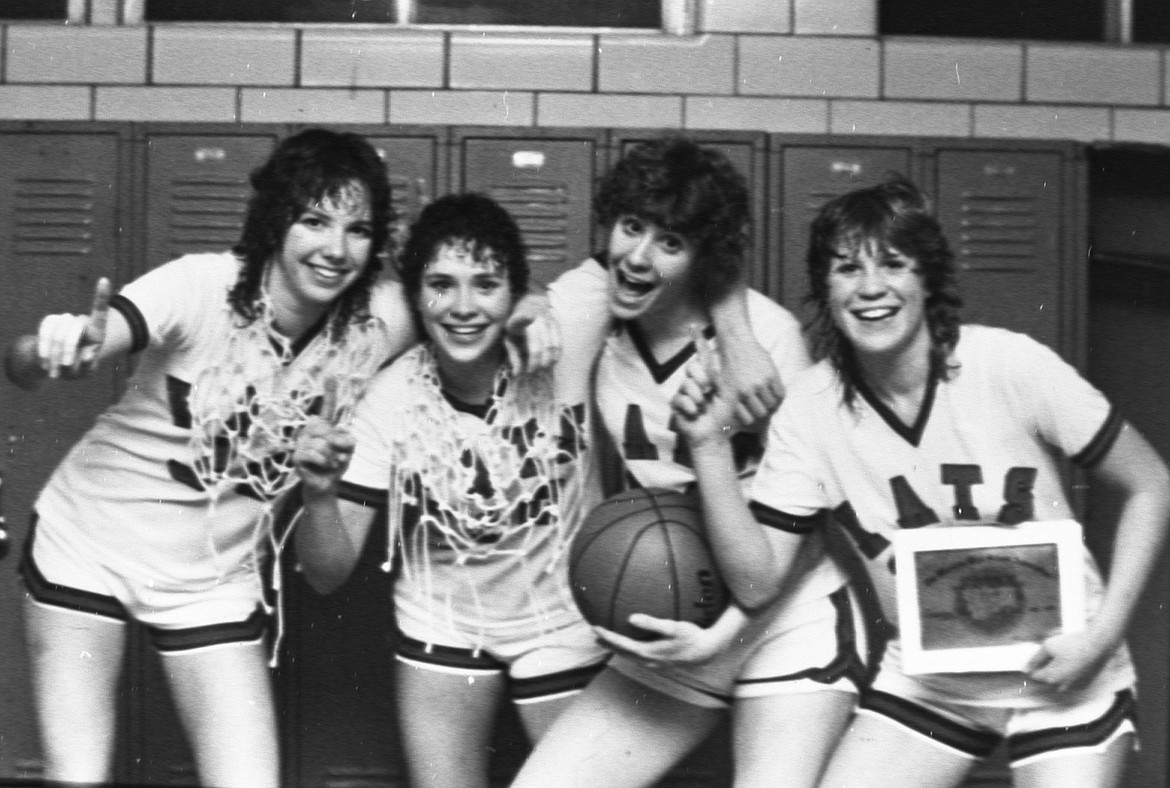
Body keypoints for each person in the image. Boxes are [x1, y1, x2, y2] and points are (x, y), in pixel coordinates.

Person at [4, 129, 557, 788]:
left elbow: (462, 304)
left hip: (209, 580)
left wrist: (533, 303)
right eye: (314, 221)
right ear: (276, 222)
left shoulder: (376, 322)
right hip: (87, 544)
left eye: (357, 229)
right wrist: (53, 348)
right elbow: (44, 354)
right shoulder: (201, 286)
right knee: (79, 773)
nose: (335, 248)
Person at [717, 176, 1169, 788]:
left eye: (893, 264)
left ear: (927, 279)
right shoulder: (810, 407)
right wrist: (703, 444)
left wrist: (1104, 633)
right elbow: (757, 577)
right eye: (847, 268)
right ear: (825, 288)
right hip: (934, 684)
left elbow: (1151, 484)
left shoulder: (1007, 364)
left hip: (1067, 668)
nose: (870, 287)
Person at [511, 136, 866, 788]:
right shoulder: (597, 310)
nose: (638, 257)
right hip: (678, 611)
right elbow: (510, 304)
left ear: (706, 258)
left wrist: (726, 635)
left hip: (788, 615)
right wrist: (528, 309)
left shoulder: (764, 338)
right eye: (631, 228)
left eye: (670, 243)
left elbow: (821, 521)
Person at [292, 192, 610, 788]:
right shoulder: (388, 401)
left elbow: (655, 255)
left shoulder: (567, 332)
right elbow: (326, 573)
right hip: (444, 623)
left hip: (559, 621)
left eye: (486, 285)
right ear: (415, 297)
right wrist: (318, 496)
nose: (463, 307)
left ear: (517, 292)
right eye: (441, 284)